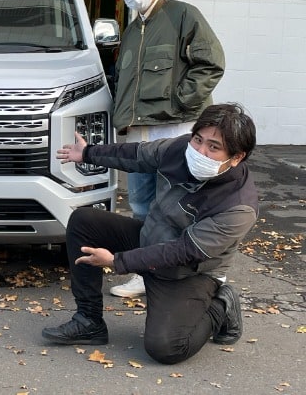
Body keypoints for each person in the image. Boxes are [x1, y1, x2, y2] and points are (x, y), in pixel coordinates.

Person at [41, 103, 258, 364]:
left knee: (166, 348)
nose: (199, 151)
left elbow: (184, 251)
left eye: (213, 147)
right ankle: (89, 321)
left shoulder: (238, 206)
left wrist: (117, 262)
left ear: (236, 157)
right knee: (84, 221)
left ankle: (220, 306)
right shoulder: (180, 150)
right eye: (198, 139)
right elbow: (137, 155)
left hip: (189, 271)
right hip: (150, 239)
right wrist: (87, 153)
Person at [107, 0, 226, 298]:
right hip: (140, 133)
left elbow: (211, 63)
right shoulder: (131, 32)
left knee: (174, 203)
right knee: (142, 202)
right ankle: (145, 273)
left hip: (175, 130)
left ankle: (183, 274)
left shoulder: (181, 15)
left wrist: (180, 105)